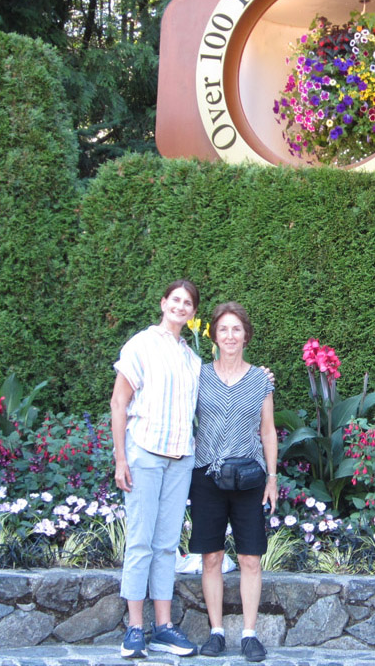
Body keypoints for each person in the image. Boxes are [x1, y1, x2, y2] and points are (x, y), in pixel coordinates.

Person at [111, 280, 202, 659]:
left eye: (188, 303)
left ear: (193, 313)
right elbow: (119, 401)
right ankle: (134, 629)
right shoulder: (141, 344)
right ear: (164, 303)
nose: (180, 307)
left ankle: (163, 627)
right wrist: (120, 458)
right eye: (175, 300)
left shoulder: (191, 358)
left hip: (181, 459)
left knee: (167, 545)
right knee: (140, 541)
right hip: (144, 454)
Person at [188, 302, 277, 663]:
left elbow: (268, 430)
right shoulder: (198, 375)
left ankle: (250, 634)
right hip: (207, 475)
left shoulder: (261, 379)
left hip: (250, 478)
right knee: (211, 557)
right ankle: (216, 632)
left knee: (250, 558)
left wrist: (272, 478)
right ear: (213, 335)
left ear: (246, 336)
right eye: (222, 329)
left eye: (236, 329)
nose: (229, 336)